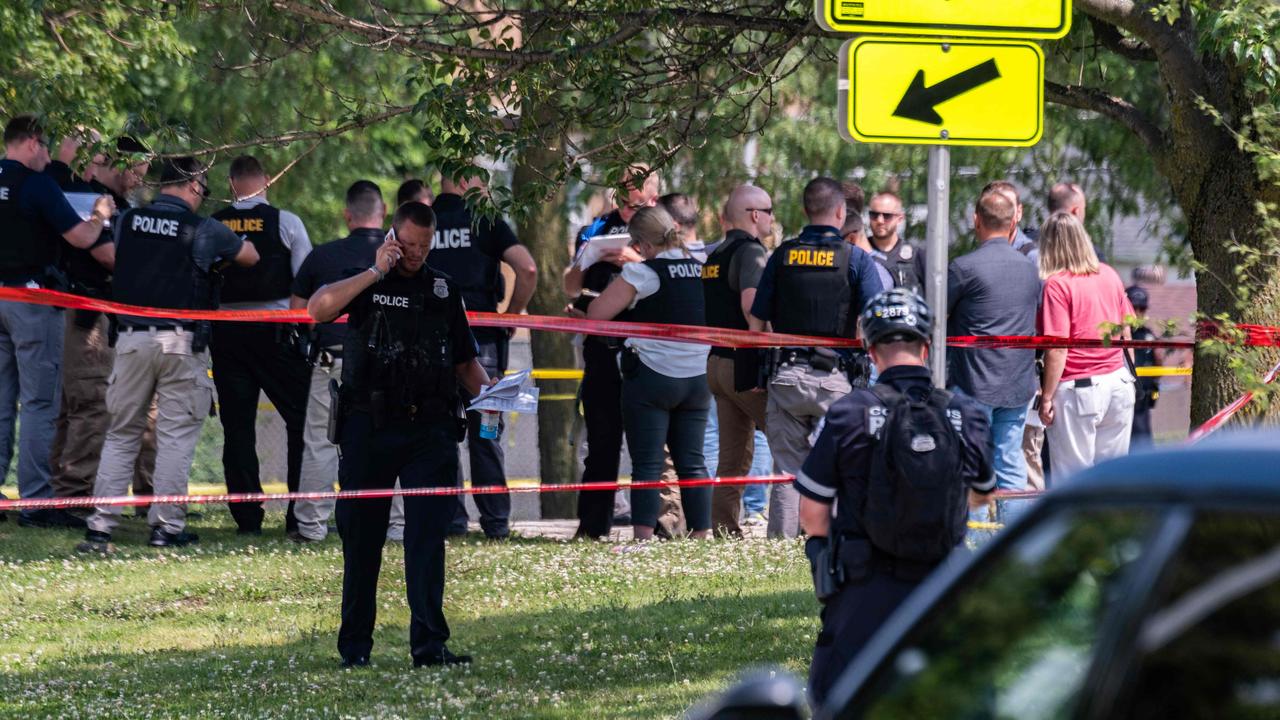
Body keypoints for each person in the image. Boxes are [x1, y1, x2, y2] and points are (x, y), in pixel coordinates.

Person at [307, 201, 493, 668]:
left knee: (427, 539)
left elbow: (465, 364)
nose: (414, 254)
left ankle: (429, 645)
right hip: (368, 427)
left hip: (429, 429)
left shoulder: (443, 289)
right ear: (392, 235)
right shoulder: (366, 278)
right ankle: (355, 648)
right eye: (407, 244)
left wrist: (494, 396)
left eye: (423, 247)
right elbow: (317, 309)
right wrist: (374, 271)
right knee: (362, 539)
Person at [797, 288, 994, 705]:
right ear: (926, 346)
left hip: (865, 588)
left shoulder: (849, 412)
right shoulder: (966, 413)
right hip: (944, 585)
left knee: (844, 700)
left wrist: (822, 551)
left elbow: (812, 513)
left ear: (870, 349)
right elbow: (983, 493)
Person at [76, 157, 259, 552]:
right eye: (203, 190)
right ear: (194, 187)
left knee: (121, 434)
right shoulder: (203, 228)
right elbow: (251, 256)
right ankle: (166, 528)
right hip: (180, 343)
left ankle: (100, 528)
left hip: (129, 340)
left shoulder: (127, 221)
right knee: (176, 438)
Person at [748, 177, 885, 539]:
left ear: (806, 210)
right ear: (841, 212)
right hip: (836, 381)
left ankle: (781, 552)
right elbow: (877, 319)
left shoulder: (781, 255)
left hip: (787, 376)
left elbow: (755, 321)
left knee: (788, 471)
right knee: (839, 466)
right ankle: (835, 542)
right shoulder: (857, 259)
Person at [0, 115, 116, 528]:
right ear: (31, 142)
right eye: (45, 147)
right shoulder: (37, 185)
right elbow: (82, 238)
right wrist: (100, 214)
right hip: (33, 301)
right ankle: (36, 502)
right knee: (39, 403)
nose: (48, 156)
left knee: (0, 401)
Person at [45, 134, 158, 515]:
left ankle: (144, 497)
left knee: (117, 404)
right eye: (138, 170)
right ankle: (73, 497)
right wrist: (154, 270)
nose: (141, 179)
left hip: (118, 315)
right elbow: (107, 255)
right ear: (121, 164)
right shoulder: (87, 197)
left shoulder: (123, 205)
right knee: (89, 403)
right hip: (88, 314)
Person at [586, 206, 711, 540]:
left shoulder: (642, 273)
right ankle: (702, 537)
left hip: (652, 378)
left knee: (647, 463)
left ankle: (642, 539)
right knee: (694, 463)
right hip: (698, 378)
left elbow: (597, 313)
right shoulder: (700, 269)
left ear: (640, 243)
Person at [430, 172, 537, 539]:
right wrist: (512, 313)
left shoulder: (422, 222)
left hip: (434, 345)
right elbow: (527, 267)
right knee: (486, 434)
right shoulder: (484, 220)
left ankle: (452, 522)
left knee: (442, 434)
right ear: (464, 184)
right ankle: (495, 524)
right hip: (483, 347)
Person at [210, 155, 313, 536]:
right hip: (276, 334)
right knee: (301, 422)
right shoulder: (287, 222)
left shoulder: (213, 223)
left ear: (232, 183)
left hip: (228, 334)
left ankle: (247, 519)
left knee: (237, 428)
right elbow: (307, 280)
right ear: (267, 181)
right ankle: (298, 514)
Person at [288, 180, 387, 543]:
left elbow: (298, 312)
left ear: (347, 216)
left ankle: (311, 527)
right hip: (386, 368)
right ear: (384, 213)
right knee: (389, 441)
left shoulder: (323, 256)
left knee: (320, 441)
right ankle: (396, 526)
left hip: (333, 362)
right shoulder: (398, 258)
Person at [565, 165, 657, 540]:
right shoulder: (596, 228)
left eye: (635, 203)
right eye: (622, 199)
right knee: (601, 443)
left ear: (652, 199)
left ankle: (654, 525)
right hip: (600, 348)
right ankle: (592, 527)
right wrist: (587, 259)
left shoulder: (663, 232)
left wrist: (633, 261)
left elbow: (672, 276)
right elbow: (570, 286)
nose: (626, 209)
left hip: (646, 351)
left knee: (649, 445)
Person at [947, 188, 1041, 494]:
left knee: (973, 468)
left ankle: (976, 540)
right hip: (1018, 383)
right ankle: (1010, 538)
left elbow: (936, 317)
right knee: (1011, 464)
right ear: (1013, 221)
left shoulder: (963, 268)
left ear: (977, 220)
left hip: (973, 382)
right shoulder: (1031, 268)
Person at [1037, 211, 1136, 480]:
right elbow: (1126, 329)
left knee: (1073, 483)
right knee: (1113, 481)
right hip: (1119, 384)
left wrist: (1046, 397)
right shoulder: (1110, 275)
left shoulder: (1056, 285)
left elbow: (1057, 347)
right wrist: (1129, 374)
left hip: (1079, 389)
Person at [702, 185, 771, 538]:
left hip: (715, 363)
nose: (773, 218)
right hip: (742, 365)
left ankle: (724, 528)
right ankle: (795, 527)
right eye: (769, 210)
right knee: (788, 438)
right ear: (755, 215)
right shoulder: (750, 252)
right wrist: (773, 339)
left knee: (732, 456)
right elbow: (750, 306)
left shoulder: (715, 254)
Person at [865, 191, 925, 292]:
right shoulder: (860, 252)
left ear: (900, 218)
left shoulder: (916, 256)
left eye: (887, 216)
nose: (880, 220)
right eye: (874, 215)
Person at [1126, 285, 1160, 445]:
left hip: (1144, 396)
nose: (1138, 312)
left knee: (1143, 439)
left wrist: (1155, 386)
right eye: (1134, 307)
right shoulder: (1118, 335)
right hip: (1124, 395)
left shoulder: (1148, 335)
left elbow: (1158, 363)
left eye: (1142, 308)